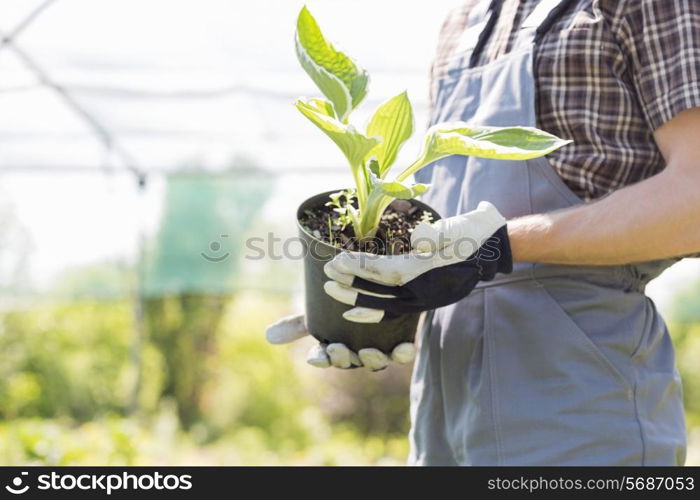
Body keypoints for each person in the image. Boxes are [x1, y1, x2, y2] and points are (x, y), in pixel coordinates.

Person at [266, 0, 700, 465]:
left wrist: (497, 247)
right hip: (441, 420)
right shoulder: (462, 23)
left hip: (579, 405)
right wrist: (369, 304)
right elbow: (448, 240)